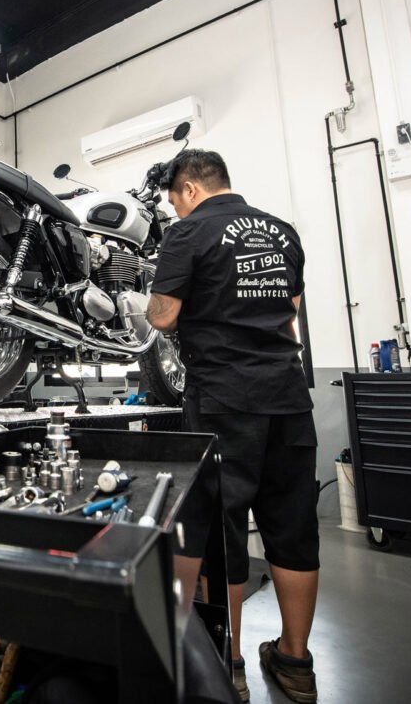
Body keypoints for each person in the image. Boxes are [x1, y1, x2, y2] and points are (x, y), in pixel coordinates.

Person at [146, 149, 319, 704]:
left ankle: (230, 663)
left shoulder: (187, 232)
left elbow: (164, 317)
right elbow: (291, 307)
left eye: (176, 200)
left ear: (190, 189)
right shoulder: (283, 233)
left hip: (223, 398)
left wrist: (146, 306)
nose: (176, 210)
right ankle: (295, 662)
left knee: (219, 533)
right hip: (288, 397)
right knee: (292, 528)